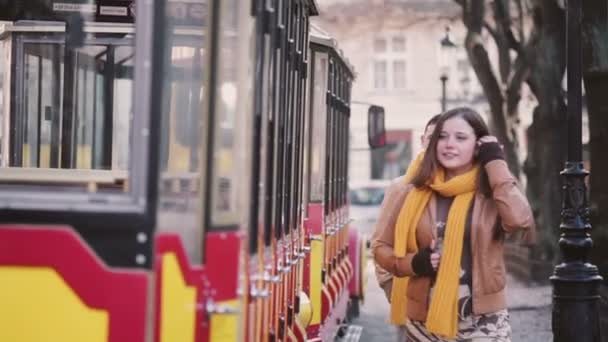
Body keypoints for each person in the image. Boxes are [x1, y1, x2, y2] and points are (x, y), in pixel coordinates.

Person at [372, 107, 535, 341]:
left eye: (460, 138)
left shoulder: (493, 188)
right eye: (442, 136)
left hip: (484, 320)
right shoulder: (411, 189)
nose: (449, 144)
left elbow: (520, 221)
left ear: (478, 144)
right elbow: (380, 247)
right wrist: (414, 263)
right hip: (425, 320)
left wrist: (496, 163)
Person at [372, 114, 441, 341]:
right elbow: (380, 244)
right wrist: (393, 288)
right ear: (422, 140)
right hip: (410, 300)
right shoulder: (401, 188)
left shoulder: (467, 189)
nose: (437, 144)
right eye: (432, 137)